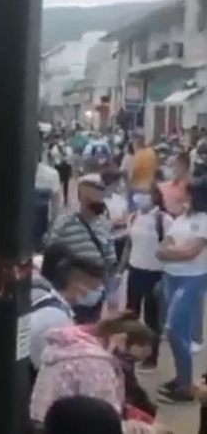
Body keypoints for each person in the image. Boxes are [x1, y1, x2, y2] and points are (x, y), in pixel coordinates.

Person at [30, 314, 155, 423]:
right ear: (121, 340)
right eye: (129, 359)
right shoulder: (96, 364)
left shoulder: (65, 349)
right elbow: (103, 418)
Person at [157, 176, 207, 403]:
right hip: (172, 277)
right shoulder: (182, 217)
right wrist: (174, 251)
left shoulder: (204, 220)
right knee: (180, 331)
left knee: (174, 329)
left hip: (192, 279)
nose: (182, 195)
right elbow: (164, 244)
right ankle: (181, 378)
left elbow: (191, 253)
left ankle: (186, 386)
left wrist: (170, 252)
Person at [46, 173, 117, 323]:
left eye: (100, 196)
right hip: (72, 292)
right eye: (92, 198)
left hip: (96, 293)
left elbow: (110, 260)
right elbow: (51, 253)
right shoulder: (64, 222)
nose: (98, 202)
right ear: (82, 198)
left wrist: (111, 295)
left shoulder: (105, 224)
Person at [28, 241, 108, 372]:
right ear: (77, 284)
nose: (99, 292)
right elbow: (53, 367)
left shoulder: (52, 304)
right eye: (95, 288)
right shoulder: (56, 319)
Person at [124, 187, 170, 371]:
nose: (141, 197)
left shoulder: (163, 220)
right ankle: (130, 351)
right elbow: (129, 244)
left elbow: (169, 246)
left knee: (152, 318)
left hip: (155, 274)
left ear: (155, 197)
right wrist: (121, 269)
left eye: (146, 193)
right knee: (130, 315)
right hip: (135, 271)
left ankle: (151, 356)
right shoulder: (134, 217)